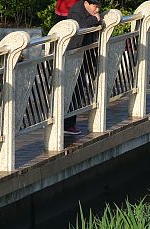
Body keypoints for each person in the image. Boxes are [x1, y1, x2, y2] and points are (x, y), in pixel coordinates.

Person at [63, 0, 102, 136]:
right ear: (87, 3)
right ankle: (66, 124)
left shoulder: (89, 11)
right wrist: (94, 19)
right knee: (72, 88)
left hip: (84, 54)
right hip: (72, 55)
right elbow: (79, 27)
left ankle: (69, 123)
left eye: (98, 7)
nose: (97, 10)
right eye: (95, 7)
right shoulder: (76, 12)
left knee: (79, 87)